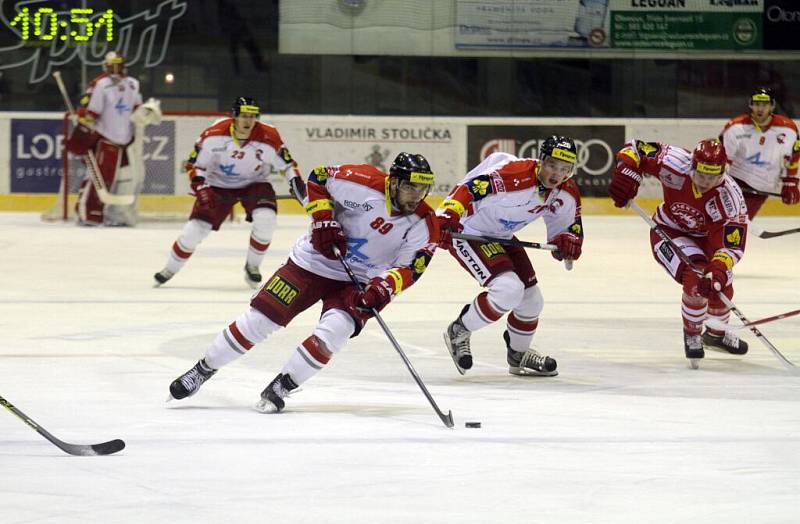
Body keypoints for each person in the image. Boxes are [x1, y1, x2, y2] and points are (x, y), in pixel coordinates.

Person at [167, 153, 439, 413]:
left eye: (422, 189)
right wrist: (324, 221)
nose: (417, 195)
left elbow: (410, 269)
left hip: (360, 282)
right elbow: (318, 178)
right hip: (312, 262)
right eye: (410, 187)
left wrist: (383, 289)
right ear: (393, 181)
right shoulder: (361, 182)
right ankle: (202, 370)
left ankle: (281, 386)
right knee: (261, 319)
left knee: (334, 332)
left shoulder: (424, 223)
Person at [436, 136, 584, 377]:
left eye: (565, 169)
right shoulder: (515, 175)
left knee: (532, 301)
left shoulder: (565, 192)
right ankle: (459, 330)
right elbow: (471, 188)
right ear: (541, 160)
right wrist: (448, 215)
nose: (557, 174)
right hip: (470, 230)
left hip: (501, 234)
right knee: (508, 290)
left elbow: (568, 231)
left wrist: (568, 244)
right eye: (552, 166)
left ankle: (519, 355)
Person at [607, 138, 749, 365]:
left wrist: (720, 268)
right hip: (669, 230)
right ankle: (692, 333)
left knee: (720, 285)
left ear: (724, 171)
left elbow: (731, 244)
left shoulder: (730, 197)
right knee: (696, 278)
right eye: (702, 175)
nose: (706, 181)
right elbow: (635, 148)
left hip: (708, 240)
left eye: (713, 176)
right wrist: (626, 172)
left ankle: (716, 335)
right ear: (692, 166)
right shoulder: (673, 162)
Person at [153, 97, 306, 289]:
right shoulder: (213, 134)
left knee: (266, 219)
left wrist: (296, 183)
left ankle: (253, 267)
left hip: (254, 183)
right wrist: (201, 188)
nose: (248, 121)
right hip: (217, 185)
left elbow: (288, 165)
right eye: (243, 116)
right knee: (194, 231)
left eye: (252, 116)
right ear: (234, 116)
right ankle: (169, 270)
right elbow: (195, 165)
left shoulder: (270, 136)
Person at [65, 51, 142, 226]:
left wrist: (147, 113)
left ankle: (117, 215)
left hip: (126, 143)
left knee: (125, 181)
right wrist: (83, 118)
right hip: (105, 141)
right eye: (111, 65)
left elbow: (138, 108)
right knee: (98, 179)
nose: (114, 69)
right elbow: (92, 112)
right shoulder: (101, 85)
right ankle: (88, 213)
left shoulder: (133, 84)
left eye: (116, 65)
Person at [719, 87, 800, 218]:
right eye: (757, 104)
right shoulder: (736, 127)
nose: (760, 109)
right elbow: (724, 158)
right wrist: (719, 181)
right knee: (725, 220)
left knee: (737, 222)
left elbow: (793, 156)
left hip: (763, 186)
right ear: (751, 105)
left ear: (772, 106)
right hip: (735, 182)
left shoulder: (788, 129)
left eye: (764, 104)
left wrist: (790, 182)